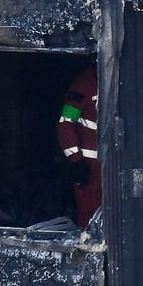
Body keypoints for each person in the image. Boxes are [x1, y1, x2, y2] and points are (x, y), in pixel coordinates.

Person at [57, 65, 101, 227]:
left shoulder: (119, 79)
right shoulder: (82, 84)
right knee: (89, 219)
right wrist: (77, 161)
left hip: (116, 164)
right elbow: (65, 124)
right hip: (90, 170)